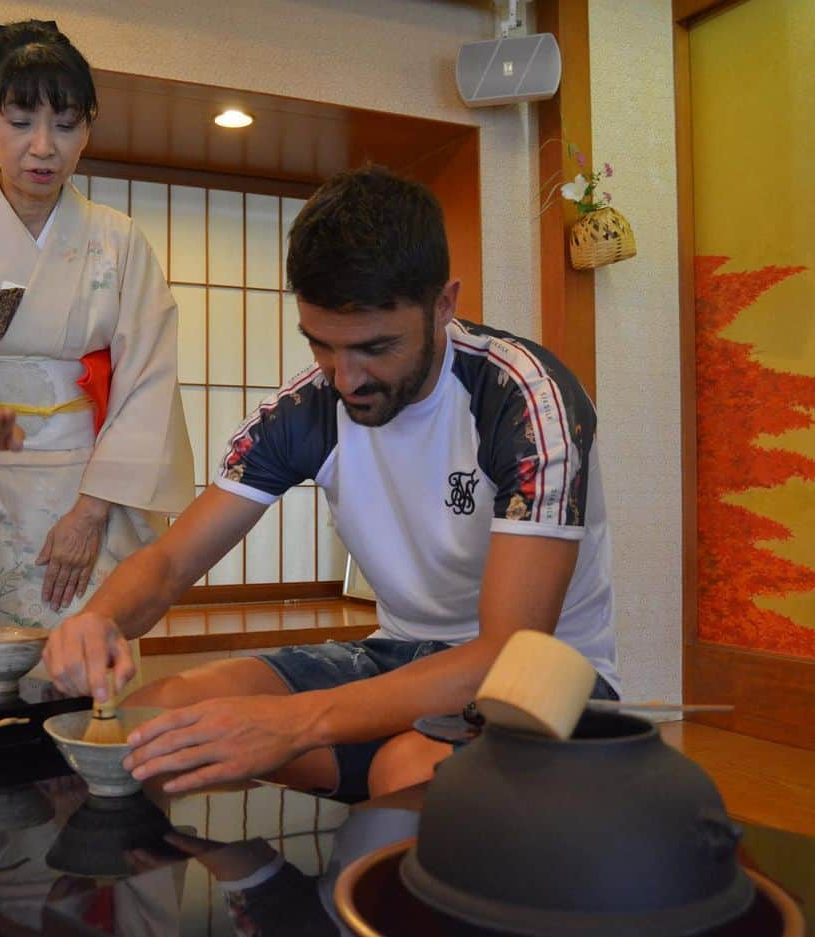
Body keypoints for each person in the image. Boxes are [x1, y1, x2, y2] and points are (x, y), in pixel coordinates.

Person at [43, 165, 618, 802]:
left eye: (375, 347)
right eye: (322, 346)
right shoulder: (307, 410)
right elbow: (170, 564)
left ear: (444, 305)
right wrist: (98, 621)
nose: (346, 379)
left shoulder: (525, 403)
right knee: (156, 723)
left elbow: (504, 653)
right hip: (398, 655)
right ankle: (253, 890)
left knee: (405, 773)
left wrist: (294, 724)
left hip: (547, 679)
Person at [0, 20, 193, 641]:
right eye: (21, 123)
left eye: (66, 125)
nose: (43, 146)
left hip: (88, 485)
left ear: (87, 130)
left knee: (83, 663)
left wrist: (93, 510)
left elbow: (149, 381)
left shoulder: (119, 242)